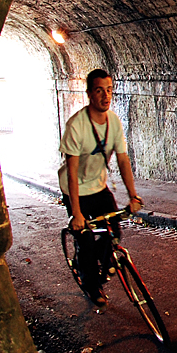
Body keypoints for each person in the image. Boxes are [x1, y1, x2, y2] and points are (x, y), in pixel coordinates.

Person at [59, 68, 143, 307]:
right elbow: (73, 173)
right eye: (99, 91)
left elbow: (123, 159)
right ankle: (91, 285)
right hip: (76, 190)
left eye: (109, 90)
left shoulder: (113, 122)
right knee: (86, 240)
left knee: (113, 230)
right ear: (89, 94)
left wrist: (133, 195)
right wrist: (76, 213)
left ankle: (104, 263)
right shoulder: (77, 126)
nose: (106, 96)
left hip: (98, 185)